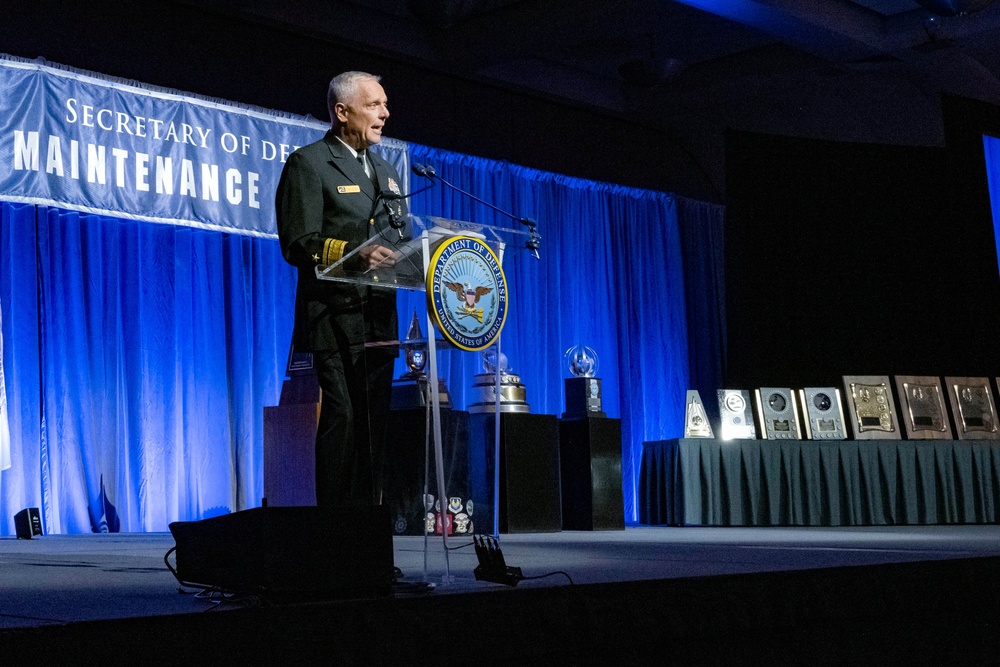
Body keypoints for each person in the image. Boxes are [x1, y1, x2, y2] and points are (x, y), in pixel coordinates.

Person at [275, 71, 407, 507]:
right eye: (374, 105)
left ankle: (369, 541)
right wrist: (356, 253)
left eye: (385, 105)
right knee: (344, 420)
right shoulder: (309, 163)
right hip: (332, 318)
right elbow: (298, 242)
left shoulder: (388, 172)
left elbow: (400, 239)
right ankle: (334, 539)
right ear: (342, 111)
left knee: (374, 428)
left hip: (378, 317)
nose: (385, 114)